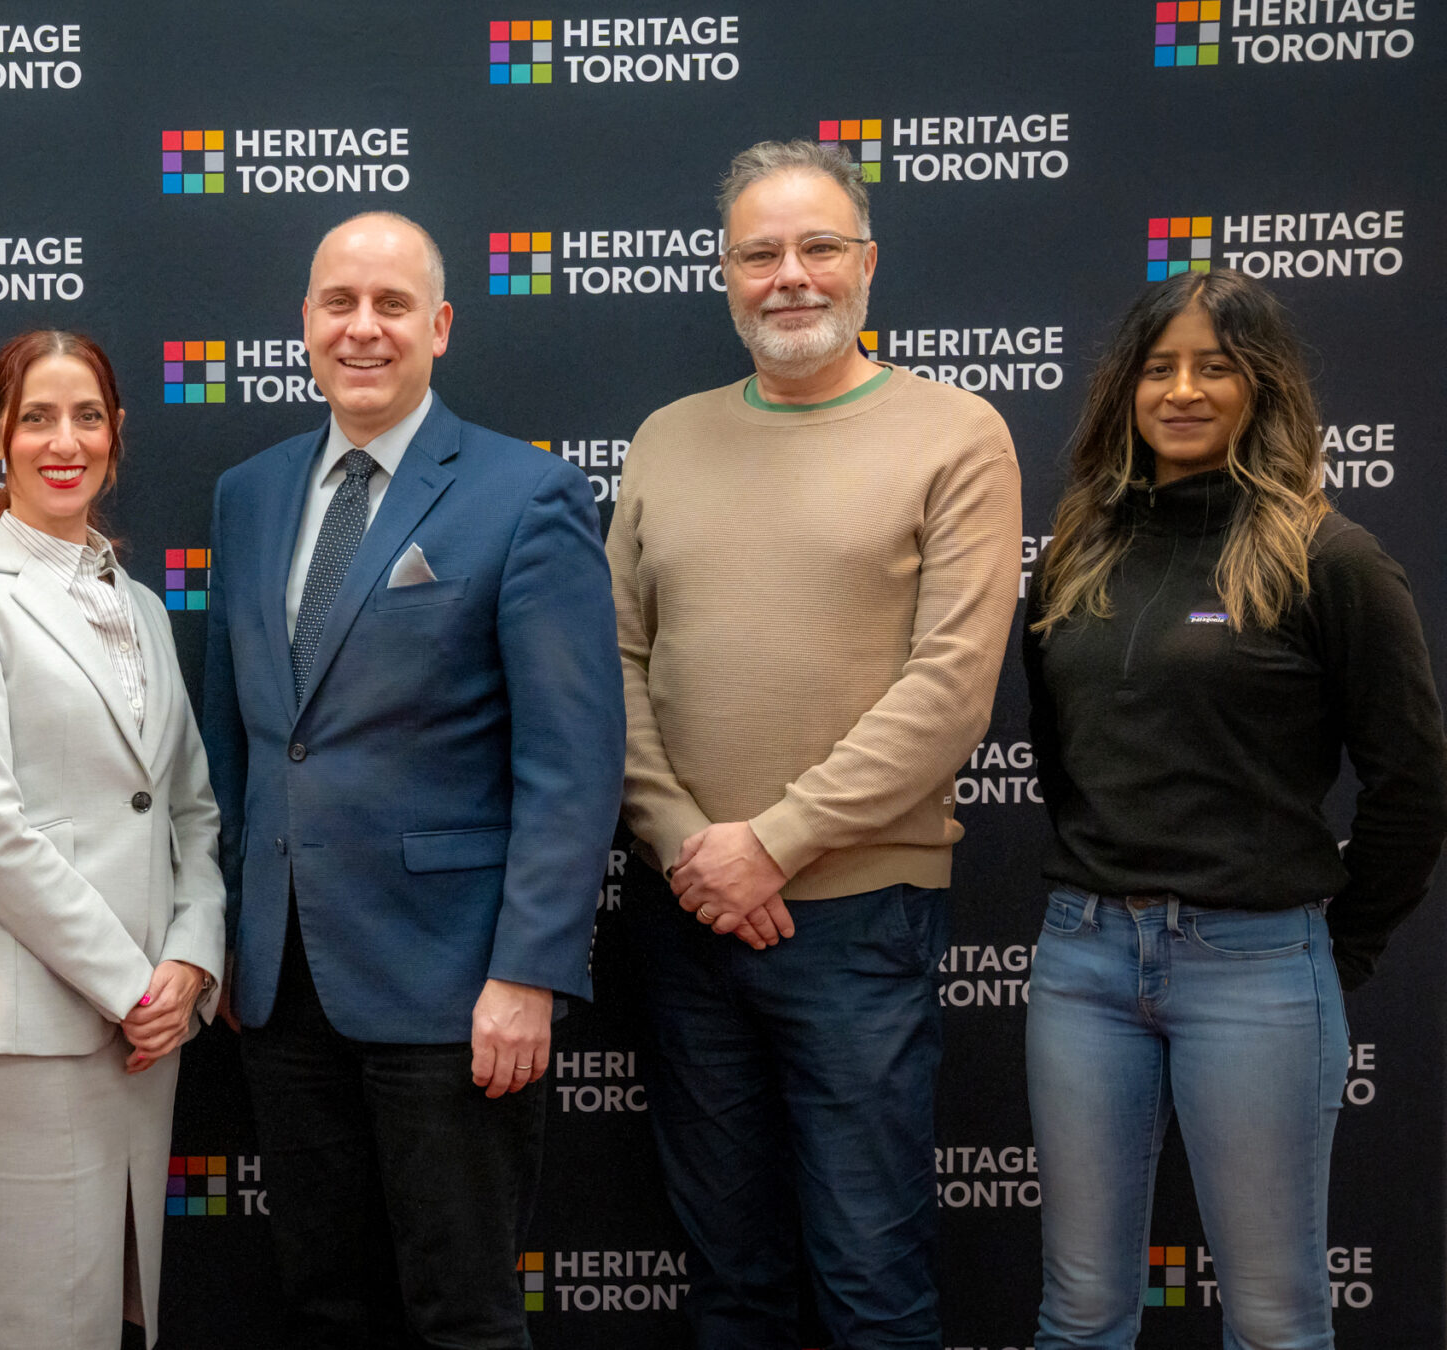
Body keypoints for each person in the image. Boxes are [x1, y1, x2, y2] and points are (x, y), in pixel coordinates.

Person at [606, 139, 1021, 1349]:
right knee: (728, 1280)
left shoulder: (954, 432)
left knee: (868, 1279)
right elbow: (616, 668)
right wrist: (691, 846)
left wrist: (771, 846)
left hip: (857, 918)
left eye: (818, 246)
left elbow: (949, 691)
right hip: (684, 915)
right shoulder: (666, 438)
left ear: (866, 263)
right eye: (759, 253)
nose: (789, 275)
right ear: (725, 275)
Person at [200, 211, 622, 1348]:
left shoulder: (526, 494)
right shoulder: (247, 495)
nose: (363, 327)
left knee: (462, 1314)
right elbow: (238, 742)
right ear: (303, 326)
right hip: (283, 989)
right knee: (326, 1304)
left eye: (391, 305)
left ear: (439, 326)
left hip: (453, 988)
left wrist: (528, 970)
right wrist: (239, 934)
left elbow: (570, 763)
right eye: (338, 303)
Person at [1023, 269, 1447, 1350]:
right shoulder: (1076, 549)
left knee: (1271, 1319)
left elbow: (1410, 780)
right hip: (1082, 962)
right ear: (1124, 389)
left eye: (1214, 366)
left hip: (1257, 968)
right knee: (1077, 1313)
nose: (1183, 390)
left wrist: (1328, 953)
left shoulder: (1328, 557)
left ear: (1262, 388)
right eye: (1158, 368)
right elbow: (1062, 755)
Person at [0, 331, 226, 1350]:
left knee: (98, 1323)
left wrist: (190, 961)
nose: (63, 440)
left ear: (117, 436)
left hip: (142, 1036)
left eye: (86, 416)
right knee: (34, 1327)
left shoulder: (140, 605)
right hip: (19, 1028)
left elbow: (189, 813)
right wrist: (129, 985)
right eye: (36, 417)